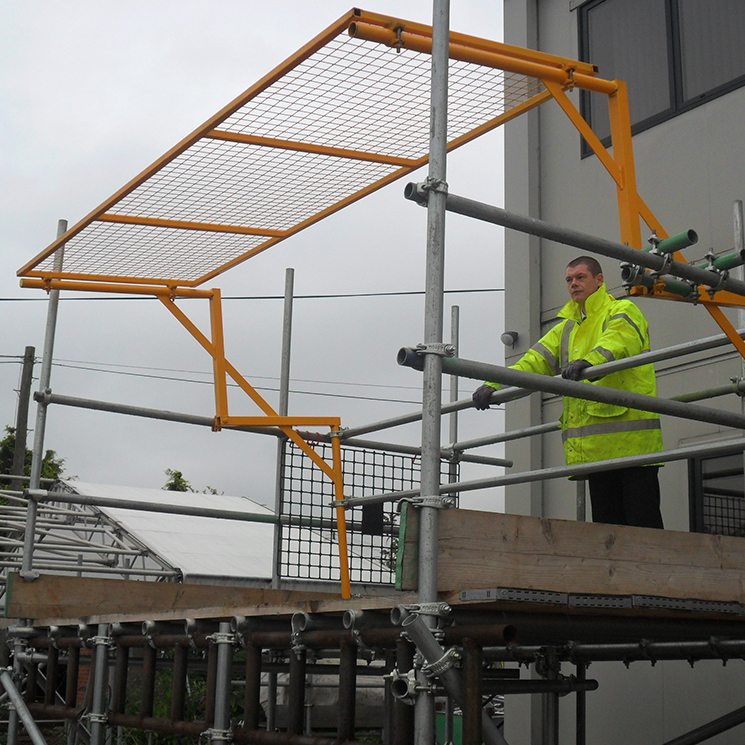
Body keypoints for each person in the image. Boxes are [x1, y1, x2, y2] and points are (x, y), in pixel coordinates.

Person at [473, 256, 664, 529]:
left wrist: (590, 362)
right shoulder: (565, 329)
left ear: (599, 280)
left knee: (644, 529)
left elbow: (619, 342)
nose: (573, 284)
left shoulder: (622, 310)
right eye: (569, 279)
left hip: (633, 446)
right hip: (596, 452)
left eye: (580, 277)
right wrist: (494, 384)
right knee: (608, 535)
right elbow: (531, 362)